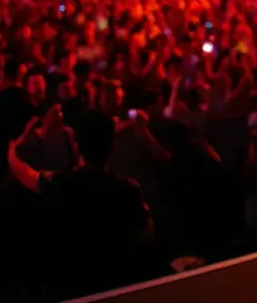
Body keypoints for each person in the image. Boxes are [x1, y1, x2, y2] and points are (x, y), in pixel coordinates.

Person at [8, 110, 153, 298]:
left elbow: (23, 172)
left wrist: (13, 149)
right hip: (115, 288)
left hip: (68, 289)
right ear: (112, 147)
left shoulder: (60, 183)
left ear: (76, 147)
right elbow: (146, 236)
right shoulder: (128, 191)